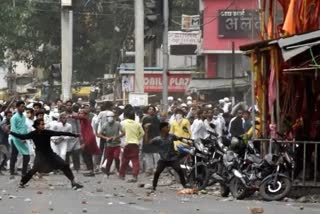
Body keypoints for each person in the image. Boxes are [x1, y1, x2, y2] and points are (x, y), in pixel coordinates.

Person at [10, 118, 83, 189]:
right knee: (34, 169)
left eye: (43, 124)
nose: (43, 126)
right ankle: (22, 182)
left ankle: (73, 182)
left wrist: (74, 135)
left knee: (65, 165)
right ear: (37, 126)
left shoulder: (47, 132)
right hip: (40, 155)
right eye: (42, 124)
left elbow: (60, 133)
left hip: (50, 154)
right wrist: (10, 132)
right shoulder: (33, 134)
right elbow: (22, 136)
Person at [145, 122, 187, 191]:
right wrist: (146, 132)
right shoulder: (157, 139)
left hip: (173, 158)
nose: (169, 128)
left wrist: (188, 142)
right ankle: (154, 186)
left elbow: (180, 139)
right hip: (163, 160)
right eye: (167, 127)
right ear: (162, 129)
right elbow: (147, 142)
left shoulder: (171, 136)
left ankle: (184, 184)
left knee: (179, 170)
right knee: (157, 172)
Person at [70, 108, 101, 177]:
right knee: (87, 154)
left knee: (86, 154)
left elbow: (81, 117)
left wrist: (70, 116)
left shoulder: (85, 119)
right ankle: (91, 170)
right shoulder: (83, 121)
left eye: (81, 113)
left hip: (89, 139)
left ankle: (91, 170)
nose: (80, 114)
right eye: (79, 112)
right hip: (88, 138)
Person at [119, 110, 144, 182]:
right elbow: (142, 133)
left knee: (125, 160)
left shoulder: (123, 123)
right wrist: (137, 138)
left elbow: (121, 132)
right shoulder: (137, 124)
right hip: (135, 144)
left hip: (127, 144)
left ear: (126, 116)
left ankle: (122, 175)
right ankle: (135, 176)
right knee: (135, 160)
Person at [97, 111, 123, 176]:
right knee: (109, 159)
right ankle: (107, 172)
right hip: (109, 145)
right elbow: (99, 134)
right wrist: (106, 138)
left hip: (116, 144)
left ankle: (118, 170)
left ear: (114, 117)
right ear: (106, 118)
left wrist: (117, 137)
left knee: (116, 157)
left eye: (111, 117)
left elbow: (123, 132)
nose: (110, 118)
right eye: (108, 117)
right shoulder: (105, 125)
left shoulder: (117, 124)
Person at [10, 101, 30, 179]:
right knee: (14, 155)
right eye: (21, 106)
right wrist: (20, 137)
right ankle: (12, 172)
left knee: (27, 156)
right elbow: (14, 129)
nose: (23, 108)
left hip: (23, 139)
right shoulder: (14, 117)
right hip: (15, 139)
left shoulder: (24, 117)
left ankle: (24, 173)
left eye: (24, 106)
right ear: (17, 107)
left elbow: (24, 128)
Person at [142, 105, 160, 176]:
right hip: (146, 137)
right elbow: (142, 128)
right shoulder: (145, 119)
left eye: (152, 109)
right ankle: (149, 169)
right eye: (149, 109)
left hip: (155, 138)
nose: (151, 110)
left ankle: (157, 169)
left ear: (154, 111)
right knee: (147, 154)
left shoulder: (156, 119)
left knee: (156, 154)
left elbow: (158, 129)